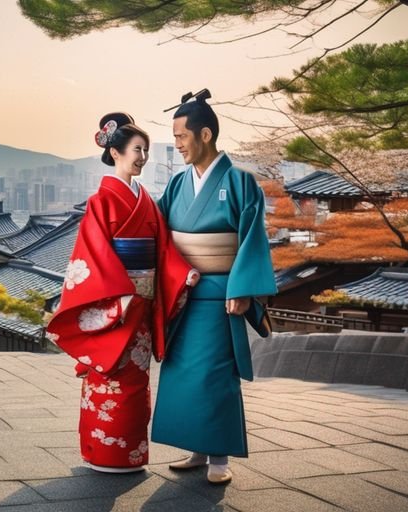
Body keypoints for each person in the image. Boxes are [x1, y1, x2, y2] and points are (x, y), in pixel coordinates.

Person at [46, 112, 197, 473]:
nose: (142, 157)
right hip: (115, 302)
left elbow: (161, 248)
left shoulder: (145, 198)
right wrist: (120, 295)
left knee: (135, 382)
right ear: (115, 153)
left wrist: (182, 272)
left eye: (145, 150)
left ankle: (131, 453)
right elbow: (92, 254)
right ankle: (102, 453)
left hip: (140, 305)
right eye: (136, 150)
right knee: (109, 379)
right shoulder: (102, 201)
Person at [151, 91, 277, 484]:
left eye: (180, 136)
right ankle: (197, 448)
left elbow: (253, 238)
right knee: (184, 372)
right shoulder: (176, 184)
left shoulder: (240, 183)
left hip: (221, 295)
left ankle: (219, 457)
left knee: (216, 374)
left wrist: (241, 288)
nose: (176, 145)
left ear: (204, 134)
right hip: (183, 294)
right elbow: (158, 230)